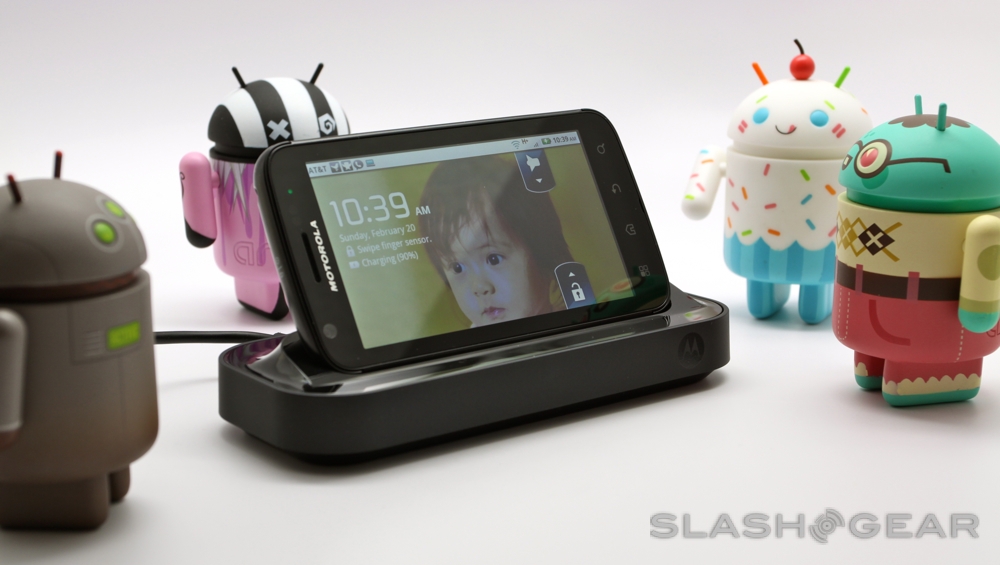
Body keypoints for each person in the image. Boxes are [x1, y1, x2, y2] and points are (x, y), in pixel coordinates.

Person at [419, 155, 573, 327]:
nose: (479, 287)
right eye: (457, 268)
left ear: (543, 252)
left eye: (493, 259)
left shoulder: (577, 323)